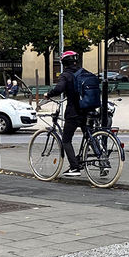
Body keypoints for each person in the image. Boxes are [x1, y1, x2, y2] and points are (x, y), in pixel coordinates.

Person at [42, 50, 86, 178]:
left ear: (63, 63)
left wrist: (48, 94)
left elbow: (59, 89)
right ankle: (102, 160)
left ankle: (74, 167)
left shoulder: (65, 75)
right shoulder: (83, 72)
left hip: (73, 111)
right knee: (88, 135)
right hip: (87, 108)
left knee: (66, 140)